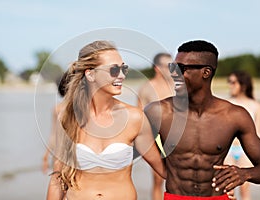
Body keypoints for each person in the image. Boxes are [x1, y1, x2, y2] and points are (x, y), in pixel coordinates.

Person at [46, 40, 166, 200]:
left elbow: (164, 171)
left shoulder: (135, 118)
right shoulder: (69, 118)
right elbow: (57, 179)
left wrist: (208, 172)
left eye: (123, 68)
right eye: (114, 69)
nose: (122, 75)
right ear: (90, 74)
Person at [144, 40, 260, 199]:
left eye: (181, 69)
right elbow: (132, 142)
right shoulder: (158, 111)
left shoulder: (235, 116)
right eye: (173, 68)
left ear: (205, 72)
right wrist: (166, 171)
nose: (173, 74)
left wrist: (244, 174)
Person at [138, 53, 174, 200]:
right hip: (156, 137)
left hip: (176, 136)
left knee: (178, 178)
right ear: (157, 68)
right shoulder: (146, 88)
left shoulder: (177, 86)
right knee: (158, 179)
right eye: (168, 66)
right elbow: (140, 116)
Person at [224, 70, 260, 200]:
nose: (230, 85)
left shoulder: (256, 106)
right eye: (229, 82)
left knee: (245, 189)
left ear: (243, 85)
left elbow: (258, 132)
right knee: (227, 189)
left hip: (246, 151)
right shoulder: (226, 104)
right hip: (228, 150)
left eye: (233, 82)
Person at [42, 70, 72, 174]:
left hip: (60, 154)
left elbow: (53, 135)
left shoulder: (57, 109)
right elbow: (54, 134)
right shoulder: (83, 108)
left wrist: (46, 155)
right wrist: (46, 155)